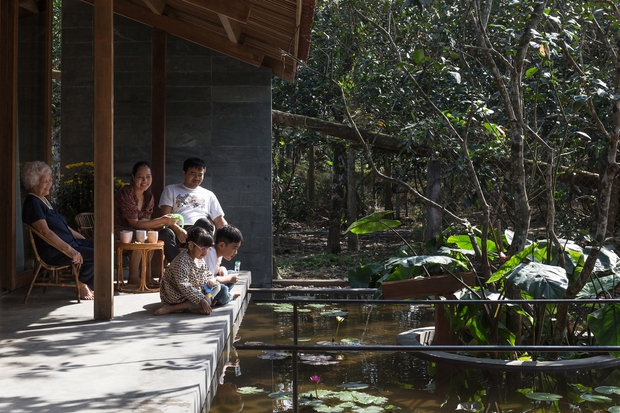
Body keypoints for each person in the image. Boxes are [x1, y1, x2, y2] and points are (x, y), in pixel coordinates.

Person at [21, 161, 95, 300]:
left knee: (103, 247)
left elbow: (64, 226)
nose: (49, 184)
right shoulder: (33, 203)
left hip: (69, 243)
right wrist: (71, 250)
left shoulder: (44, 200)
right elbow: (45, 232)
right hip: (55, 251)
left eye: (50, 180)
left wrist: (82, 240)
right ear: (32, 183)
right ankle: (80, 283)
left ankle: (84, 282)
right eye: (45, 181)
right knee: (98, 255)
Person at [114, 161, 177, 284]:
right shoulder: (126, 193)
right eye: (140, 177)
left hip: (134, 230)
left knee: (151, 234)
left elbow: (145, 222)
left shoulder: (149, 197)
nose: (145, 181)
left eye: (148, 177)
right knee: (142, 235)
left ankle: (146, 276)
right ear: (133, 178)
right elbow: (135, 223)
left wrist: (164, 222)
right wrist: (162, 220)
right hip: (117, 229)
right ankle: (133, 277)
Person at [154, 227, 239, 316]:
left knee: (217, 286)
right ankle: (172, 308)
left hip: (195, 291)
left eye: (208, 248)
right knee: (206, 299)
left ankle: (200, 305)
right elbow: (184, 286)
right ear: (191, 246)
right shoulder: (181, 262)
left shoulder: (199, 258)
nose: (205, 252)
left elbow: (207, 273)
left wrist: (212, 281)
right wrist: (201, 299)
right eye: (202, 248)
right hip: (177, 296)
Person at [158, 157, 228, 262]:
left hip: (199, 231)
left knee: (204, 222)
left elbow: (219, 220)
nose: (197, 177)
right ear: (184, 173)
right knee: (165, 233)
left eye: (200, 175)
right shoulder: (171, 189)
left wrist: (229, 237)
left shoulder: (208, 194)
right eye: (193, 173)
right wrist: (178, 230)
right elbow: (165, 216)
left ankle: (201, 265)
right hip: (176, 229)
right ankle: (179, 265)